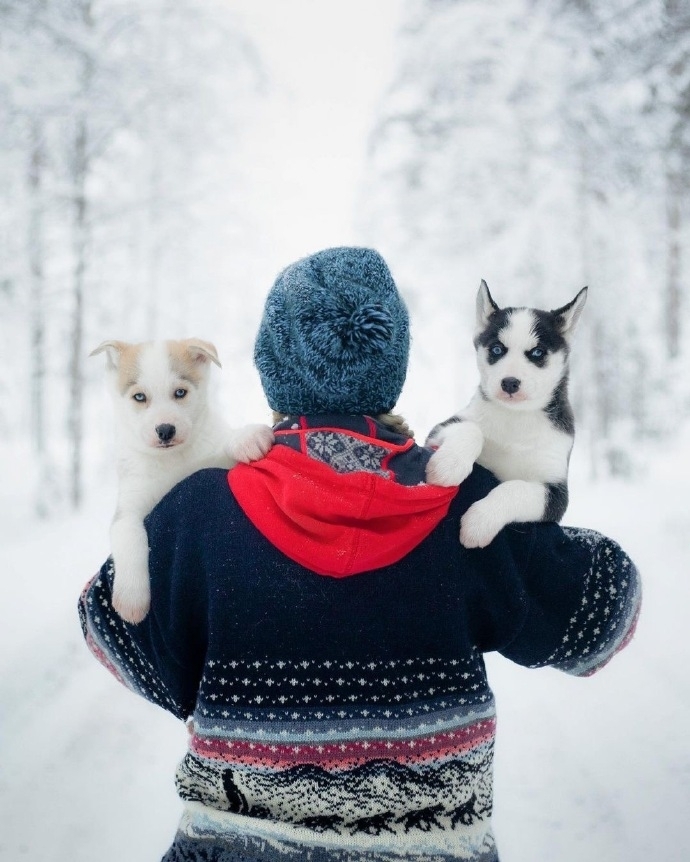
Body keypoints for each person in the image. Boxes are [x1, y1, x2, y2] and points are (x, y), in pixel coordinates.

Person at [79, 247, 641, 862]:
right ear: (390, 363)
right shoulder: (470, 504)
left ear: (274, 366)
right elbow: (603, 625)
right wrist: (538, 474)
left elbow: (110, 631)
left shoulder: (198, 513)